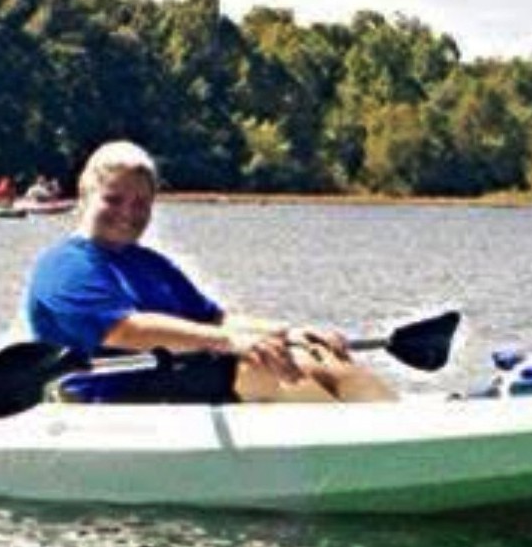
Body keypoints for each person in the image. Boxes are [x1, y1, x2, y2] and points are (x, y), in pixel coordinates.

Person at [22, 140, 396, 404]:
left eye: (140, 203)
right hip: (113, 397)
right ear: (85, 196)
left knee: (314, 355)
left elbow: (217, 319)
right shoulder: (64, 266)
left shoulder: (152, 264)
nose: (127, 213)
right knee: (264, 365)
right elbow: (126, 330)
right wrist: (229, 342)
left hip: (179, 378)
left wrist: (288, 332)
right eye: (113, 199)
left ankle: (395, 427)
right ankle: (360, 450)